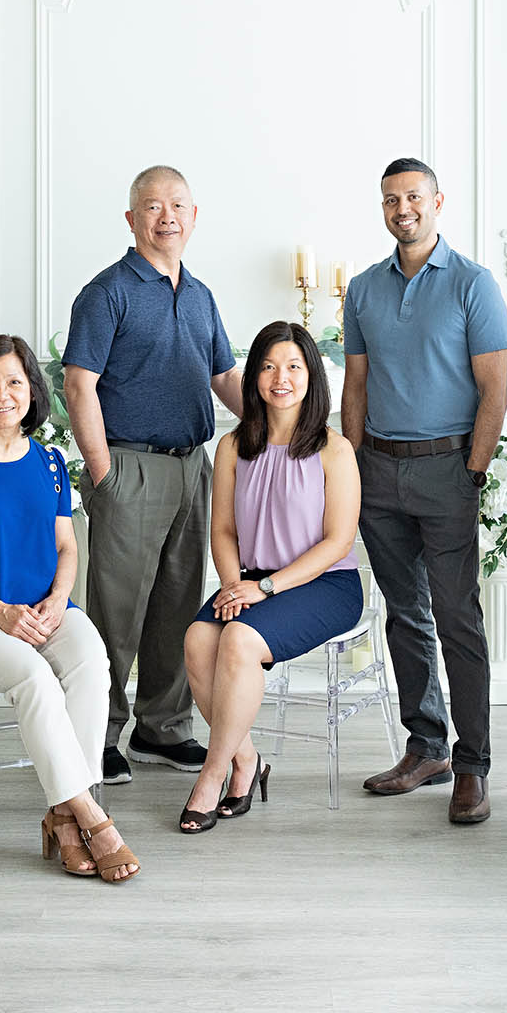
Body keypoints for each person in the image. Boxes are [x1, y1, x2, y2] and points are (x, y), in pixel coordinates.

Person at [0, 336, 139, 882]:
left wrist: (59, 600)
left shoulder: (51, 461)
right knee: (35, 678)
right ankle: (89, 815)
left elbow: (67, 546)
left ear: (31, 391)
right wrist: (1, 613)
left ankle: (63, 816)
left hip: (45, 608)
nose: (1, 394)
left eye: (14, 382)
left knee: (91, 664)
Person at [63, 165, 245, 786]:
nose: (166, 215)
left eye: (177, 205)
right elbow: (78, 384)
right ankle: (100, 732)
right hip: (128, 468)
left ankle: (162, 728)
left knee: (177, 605)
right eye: (151, 206)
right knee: (116, 611)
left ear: (194, 216)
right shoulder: (107, 291)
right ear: (131, 218)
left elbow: (224, 378)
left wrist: (285, 430)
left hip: (193, 467)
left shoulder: (200, 297)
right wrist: (104, 472)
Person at [343, 157, 507, 824]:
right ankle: (427, 746)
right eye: (390, 199)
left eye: (413, 196)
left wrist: (472, 469)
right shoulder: (362, 289)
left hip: (448, 469)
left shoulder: (474, 284)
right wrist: (353, 465)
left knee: (458, 617)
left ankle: (473, 765)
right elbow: (354, 384)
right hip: (379, 470)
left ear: (438, 202)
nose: (402, 208)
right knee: (404, 614)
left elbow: (495, 388)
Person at [178, 322, 364, 833]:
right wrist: (234, 583)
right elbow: (222, 529)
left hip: (324, 584)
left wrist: (264, 589)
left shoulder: (334, 448)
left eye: (293, 367)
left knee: (237, 641)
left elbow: (338, 542)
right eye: (267, 366)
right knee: (199, 639)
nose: (279, 378)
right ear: (254, 376)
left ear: (311, 376)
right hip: (250, 580)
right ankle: (246, 760)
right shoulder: (234, 446)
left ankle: (212, 777)